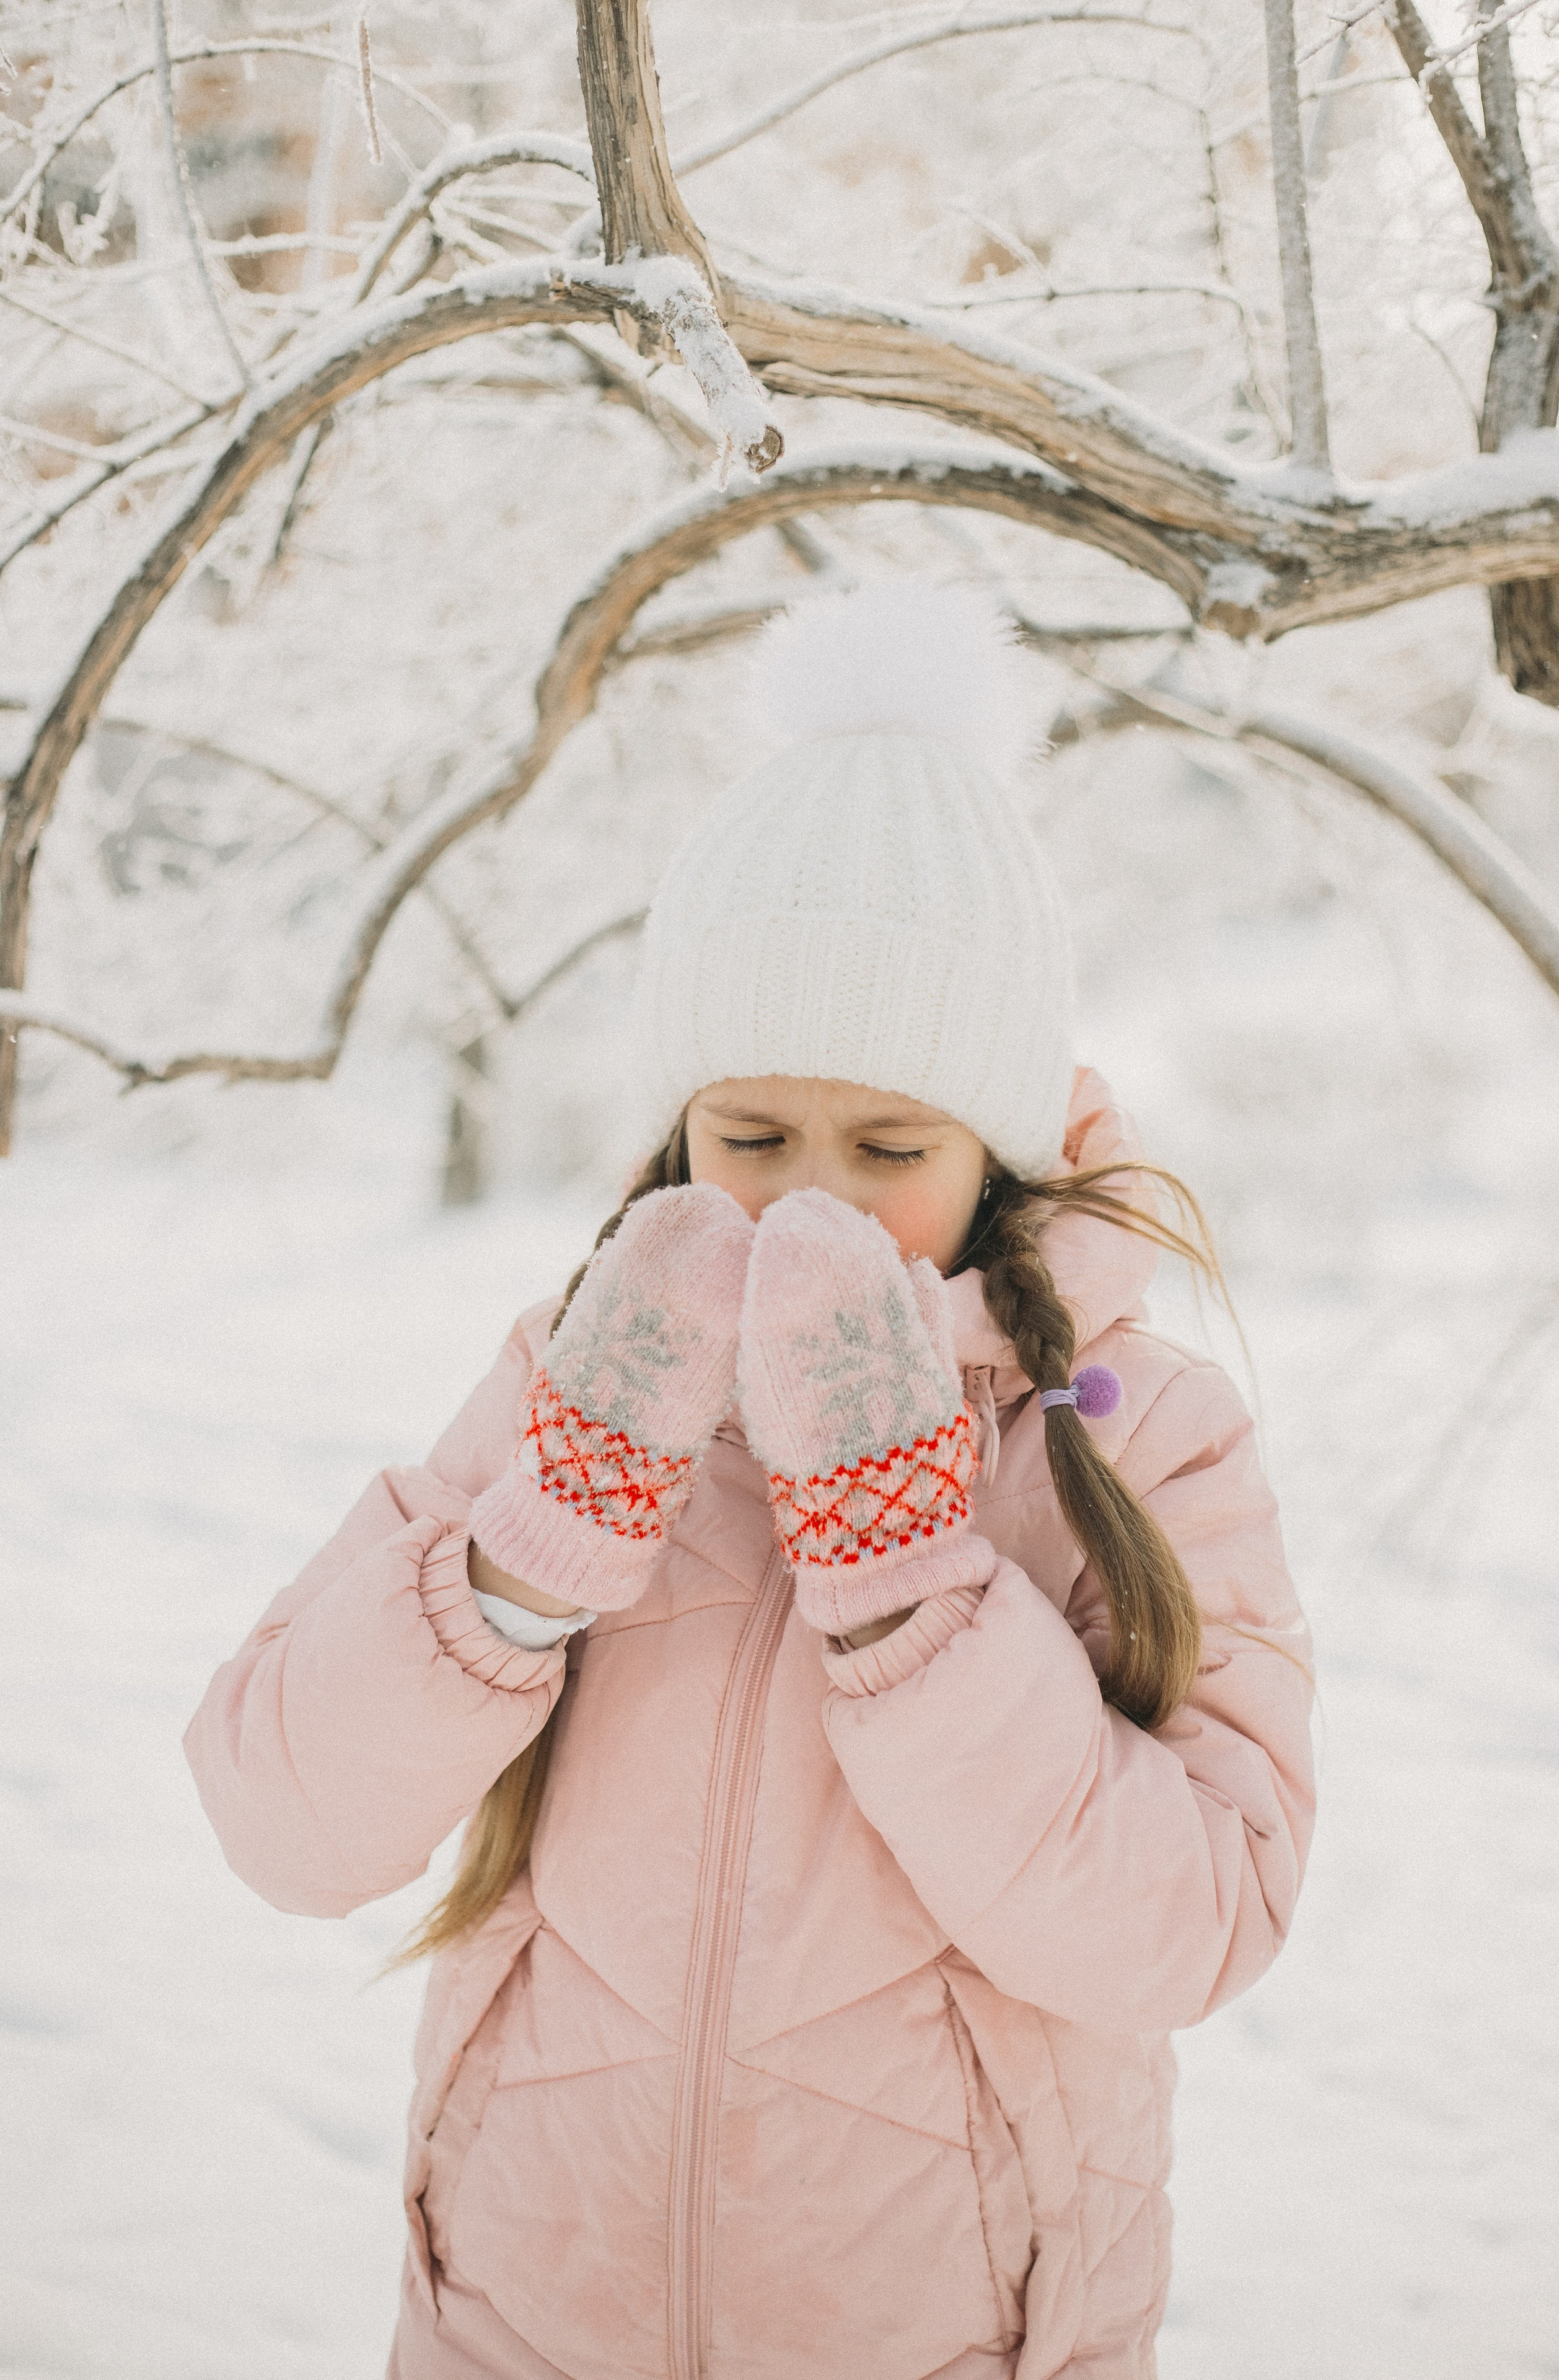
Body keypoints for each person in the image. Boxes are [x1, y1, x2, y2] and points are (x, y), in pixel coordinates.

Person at [186, 581, 1315, 2380]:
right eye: (755, 1133)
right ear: (678, 1121)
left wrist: (911, 1589)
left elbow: (1192, 1925)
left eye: (890, 1146)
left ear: (1002, 1146)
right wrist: (524, 1567)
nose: (812, 1200)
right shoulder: (585, 1377)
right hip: (524, 2317)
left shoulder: (1134, 1432)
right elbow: (280, 1819)